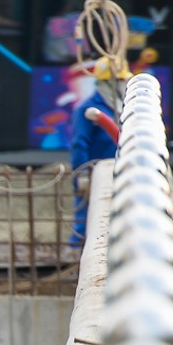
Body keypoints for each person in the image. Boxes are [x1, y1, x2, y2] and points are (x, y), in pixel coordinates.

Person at [68, 58, 123, 245]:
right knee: (86, 218)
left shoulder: (121, 107)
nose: (123, 86)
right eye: (120, 82)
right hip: (93, 173)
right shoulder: (87, 109)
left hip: (117, 172)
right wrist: (82, 172)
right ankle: (76, 254)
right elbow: (79, 144)